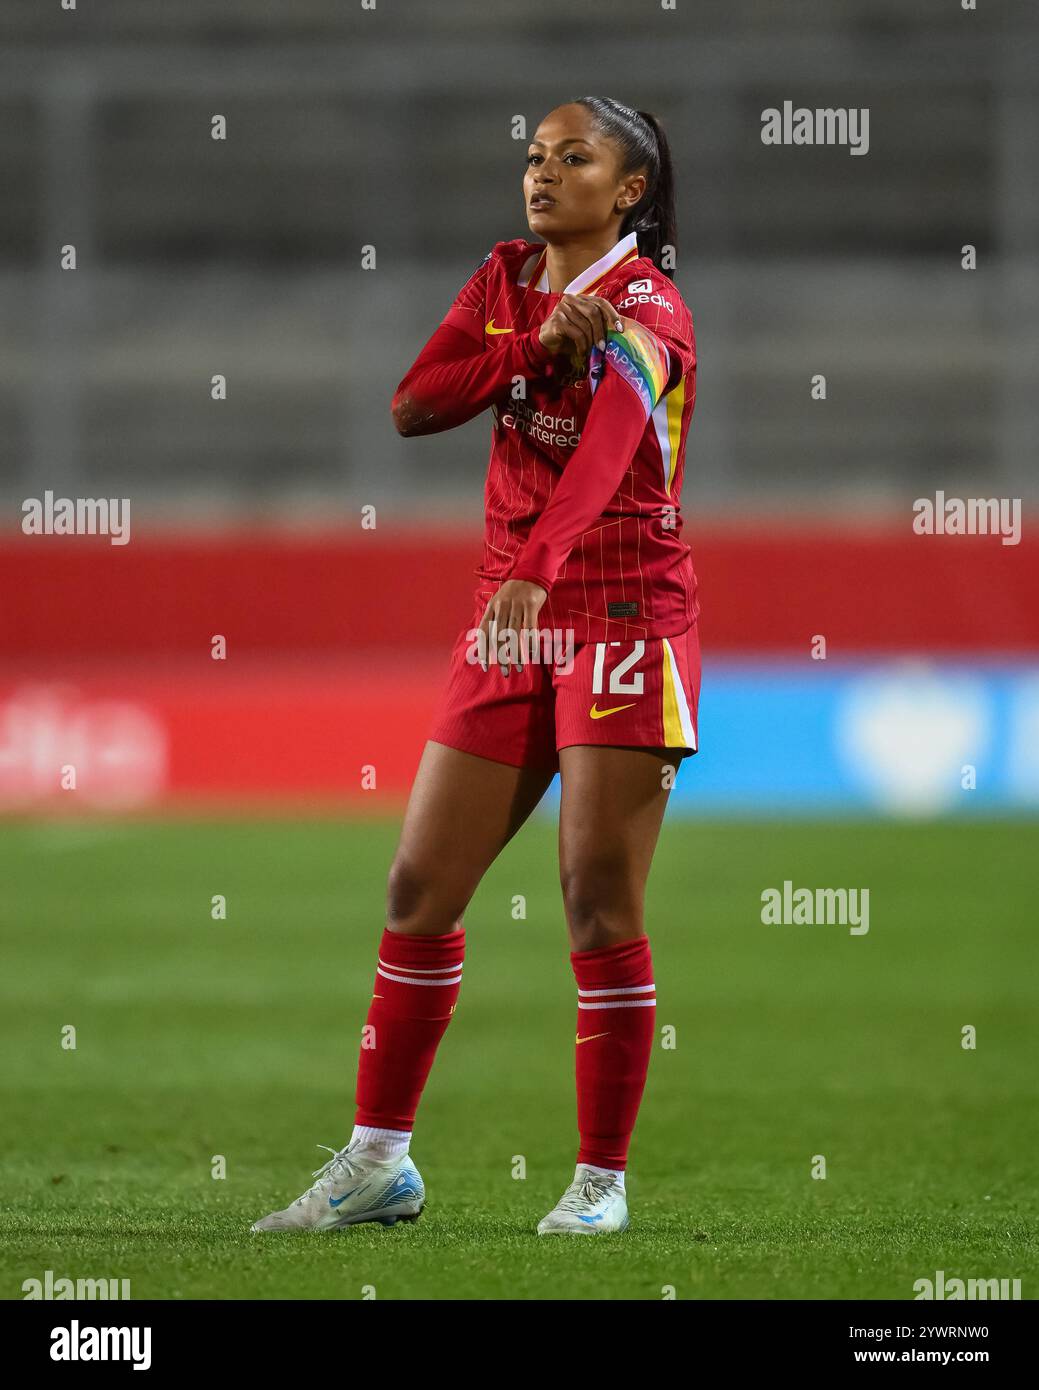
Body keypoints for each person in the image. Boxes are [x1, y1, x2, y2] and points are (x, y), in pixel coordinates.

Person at [251, 95, 699, 1238]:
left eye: (574, 158)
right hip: (512, 618)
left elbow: (603, 460)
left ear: (630, 189)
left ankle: (601, 1180)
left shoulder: (652, 314)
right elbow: (413, 404)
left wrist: (538, 570)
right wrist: (522, 348)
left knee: (596, 902)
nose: (543, 174)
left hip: (618, 620)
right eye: (534, 157)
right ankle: (378, 1164)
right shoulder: (504, 278)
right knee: (416, 890)